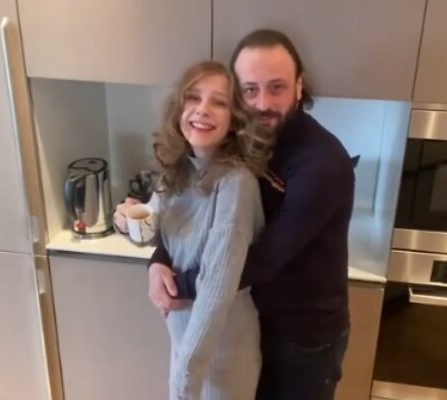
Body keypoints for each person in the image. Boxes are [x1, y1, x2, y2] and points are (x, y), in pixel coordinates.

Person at [146, 29, 356, 400]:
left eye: (277, 88)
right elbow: (192, 214)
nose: (263, 104)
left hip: (304, 336)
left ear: (299, 86)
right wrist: (158, 259)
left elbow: (266, 257)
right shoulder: (244, 142)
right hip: (254, 317)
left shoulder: (321, 163)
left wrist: (181, 286)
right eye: (250, 90)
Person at [116, 60, 273, 400]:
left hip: (222, 355)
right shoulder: (178, 169)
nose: (202, 109)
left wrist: (184, 380)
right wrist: (126, 223)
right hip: (184, 343)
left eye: (219, 102)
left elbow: (216, 288)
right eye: (193, 97)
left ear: (234, 121)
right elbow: (152, 232)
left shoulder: (235, 183)